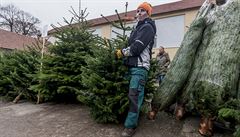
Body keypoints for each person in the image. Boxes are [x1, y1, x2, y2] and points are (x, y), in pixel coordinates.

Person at [115, 2, 156, 137]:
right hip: (131, 66)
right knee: (131, 94)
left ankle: (130, 126)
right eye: (137, 11)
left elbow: (136, 48)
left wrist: (122, 52)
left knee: (134, 96)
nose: (139, 13)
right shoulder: (137, 28)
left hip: (140, 68)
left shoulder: (148, 28)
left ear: (148, 13)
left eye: (142, 11)